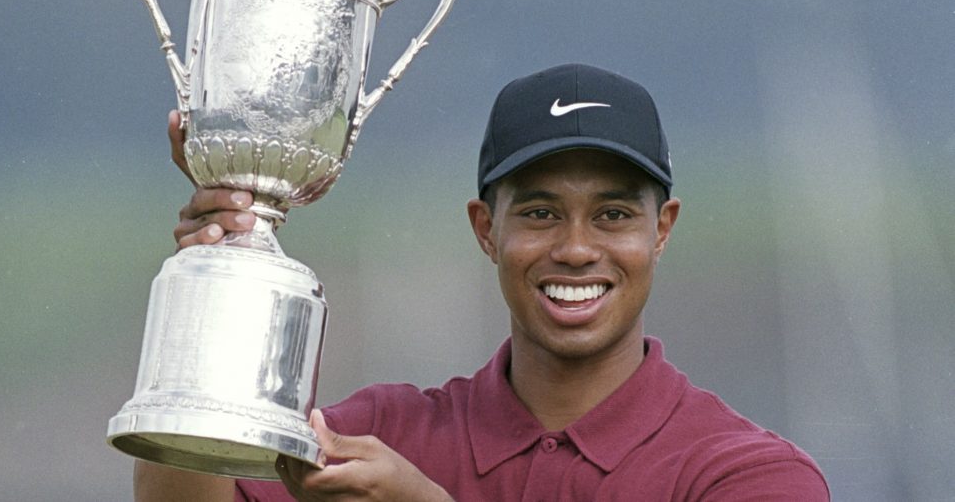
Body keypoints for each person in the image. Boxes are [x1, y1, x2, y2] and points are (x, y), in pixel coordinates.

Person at [137, 63, 830, 501]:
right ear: (484, 229)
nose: (578, 248)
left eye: (614, 214)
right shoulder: (384, 432)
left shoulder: (747, 476)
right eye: (539, 212)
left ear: (663, 228)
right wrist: (219, 274)